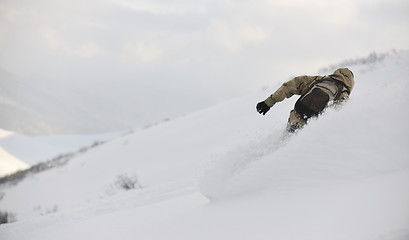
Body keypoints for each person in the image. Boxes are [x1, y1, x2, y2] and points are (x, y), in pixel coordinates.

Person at [256, 68, 354, 132]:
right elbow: (341, 115)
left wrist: (269, 102)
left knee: (286, 142)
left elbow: (289, 86)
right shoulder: (343, 93)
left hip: (297, 115)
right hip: (313, 128)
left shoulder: (318, 80)